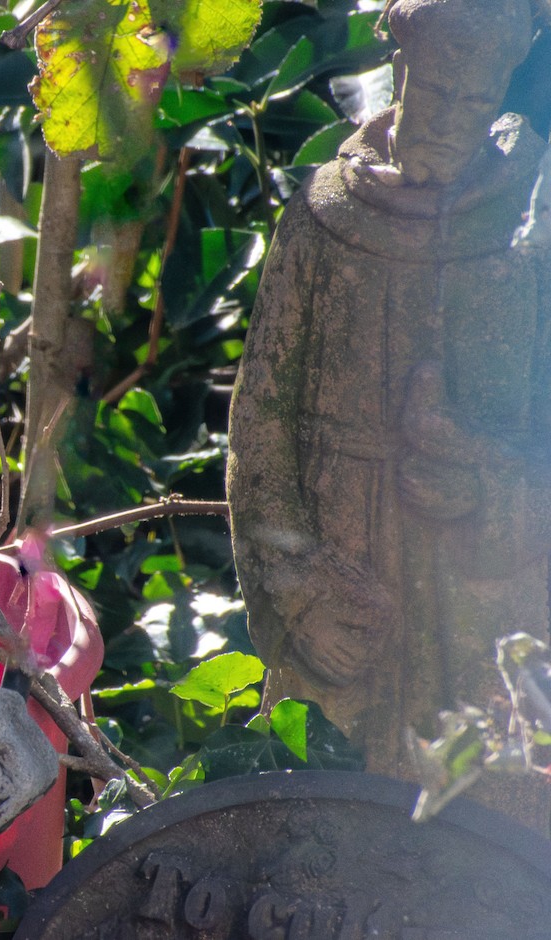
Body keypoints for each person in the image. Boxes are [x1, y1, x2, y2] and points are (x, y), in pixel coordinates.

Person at [227, 0, 551, 814]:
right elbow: (261, 421)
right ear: (399, 74)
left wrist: (495, 486)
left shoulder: (529, 227)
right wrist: (299, 587)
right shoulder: (325, 216)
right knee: (351, 824)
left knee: (498, 829)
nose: (449, 121)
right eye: (435, 92)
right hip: (351, 579)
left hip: (490, 596)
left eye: (473, 104)